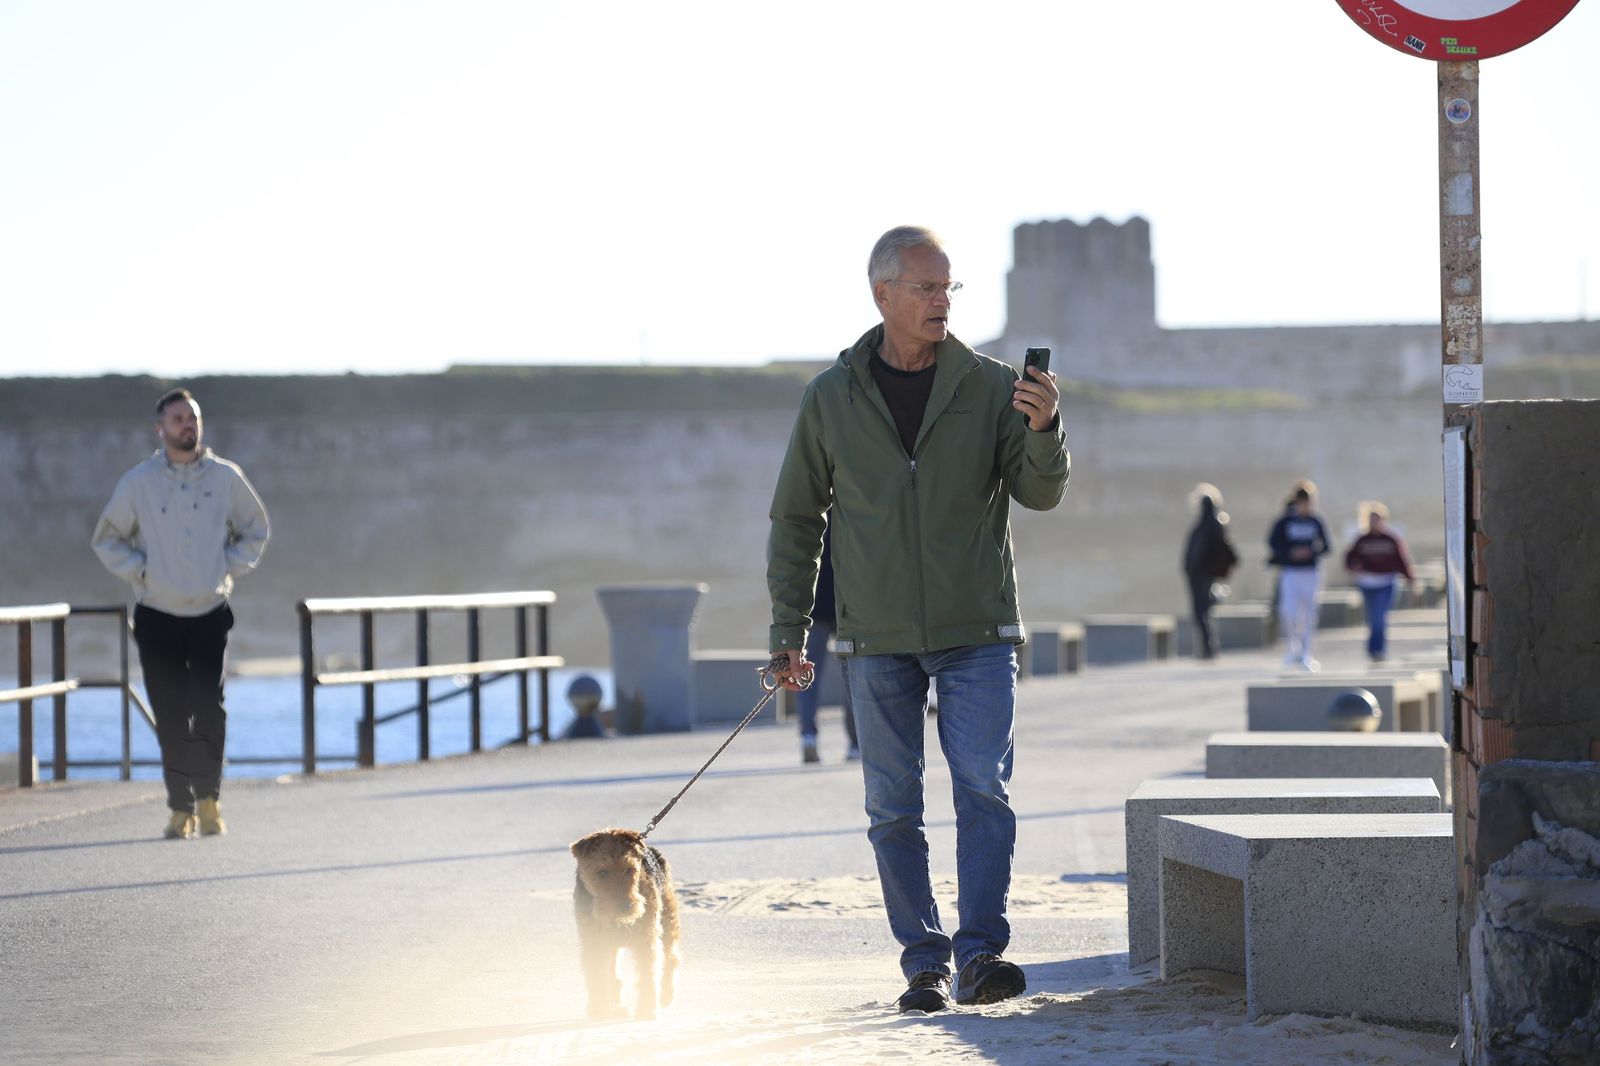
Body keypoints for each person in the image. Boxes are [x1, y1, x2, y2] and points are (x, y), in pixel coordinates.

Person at [766, 225, 1070, 1014]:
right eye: (927, 288)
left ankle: (980, 956)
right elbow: (798, 518)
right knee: (892, 805)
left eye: (948, 289)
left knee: (983, 789)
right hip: (875, 637)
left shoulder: (990, 384)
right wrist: (788, 632)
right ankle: (923, 965)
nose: (941, 302)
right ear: (884, 296)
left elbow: (1040, 495)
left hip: (977, 629)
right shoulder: (832, 397)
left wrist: (1043, 432)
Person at [91, 388, 270, 840]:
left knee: (208, 708)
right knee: (170, 713)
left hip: (210, 611)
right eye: (177, 420)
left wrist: (226, 566)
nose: (187, 426)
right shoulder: (139, 481)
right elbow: (107, 538)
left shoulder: (226, 478)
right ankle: (179, 807)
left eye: (192, 418)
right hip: (157, 614)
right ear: (161, 429)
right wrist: (142, 571)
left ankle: (209, 800)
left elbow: (256, 529)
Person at [795, 519, 858, 764]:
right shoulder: (850, 502)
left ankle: (808, 736)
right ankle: (855, 743)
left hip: (812, 607)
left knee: (805, 674)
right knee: (851, 675)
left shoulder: (806, 508)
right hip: (845, 605)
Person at [1267, 480, 1330, 671]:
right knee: (1289, 612)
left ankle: (1306, 652)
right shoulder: (1285, 521)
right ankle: (1292, 648)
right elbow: (1273, 542)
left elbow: (1326, 546)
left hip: (1310, 572)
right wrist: (1290, 553)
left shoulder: (1316, 521)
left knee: (1309, 613)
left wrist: (1311, 551)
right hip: (1291, 572)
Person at [1344, 501, 1415, 662]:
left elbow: (1402, 561)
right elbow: (1349, 558)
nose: (1375, 523)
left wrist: (1411, 581)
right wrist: (1354, 568)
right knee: (1372, 616)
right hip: (1367, 583)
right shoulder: (1362, 540)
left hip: (1386, 582)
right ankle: (1374, 649)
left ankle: (1377, 649)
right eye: (1372, 519)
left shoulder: (1391, 539)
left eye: (1378, 519)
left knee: (1379, 615)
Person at [1181, 484, 1238, 659]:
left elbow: (1214, 552)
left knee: (1201, 611)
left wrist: (1199, 567)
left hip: (1202, 574)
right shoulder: (1209, 524)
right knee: (1202, 611)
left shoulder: (1212, 524)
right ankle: (1206, 647)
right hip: (1198, 573)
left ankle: (1208, 648)